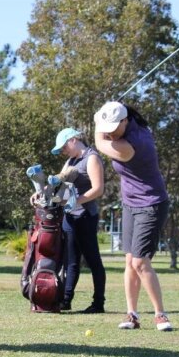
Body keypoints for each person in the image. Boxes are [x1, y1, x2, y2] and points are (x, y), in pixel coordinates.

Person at [93, 101, 172, 331]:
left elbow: (100, 143)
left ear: (125, 121)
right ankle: (132, 315)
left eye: (113, 127)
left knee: (140, 261)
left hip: (152, 203)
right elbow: (111, 124)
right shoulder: (129, 122)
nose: (109, 132)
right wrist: (107, 112)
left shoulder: (133, 144)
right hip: (130, 204)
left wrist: (98, 123)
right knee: (129, 260)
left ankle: (160, 315)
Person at [50, 128, 106, 313]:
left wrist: (76, 201)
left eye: (64, 147)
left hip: (85, 216)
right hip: (70, 217)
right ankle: (65, 301)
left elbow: (98, 189)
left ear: (73, 140)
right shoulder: (70, 161)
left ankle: (98, 303)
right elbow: (58, 182)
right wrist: (41, 191)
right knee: (71, 261)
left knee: (93, 260)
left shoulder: (92, 158)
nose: (63, 151)